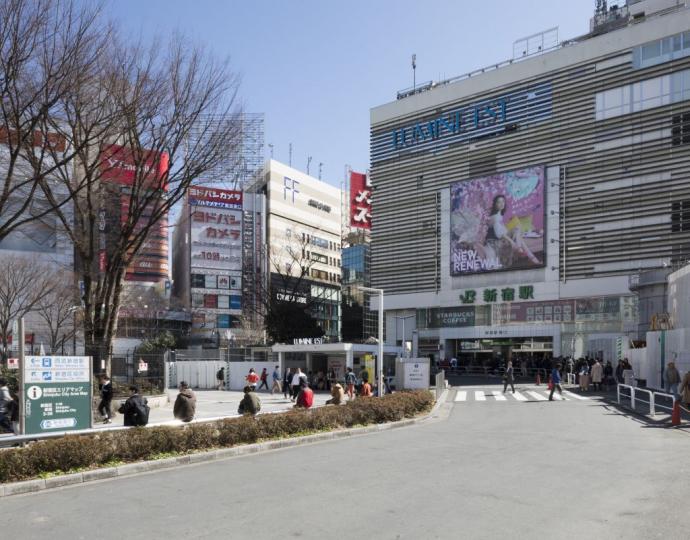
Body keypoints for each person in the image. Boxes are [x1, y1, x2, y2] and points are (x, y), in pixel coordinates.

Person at [484, 194, 540, 266]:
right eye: (499, 202)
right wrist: (512, 243)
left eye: (503, 201)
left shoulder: (499, 215)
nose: (501, 204)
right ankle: (530, 257)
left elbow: (502, 230)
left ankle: (526, 254)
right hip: (495, 241)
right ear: (495, 204)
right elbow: (499, 235)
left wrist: (508, 228)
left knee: (517, 229)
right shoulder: (495, 217)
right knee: (518, 233)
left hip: (500, 237)